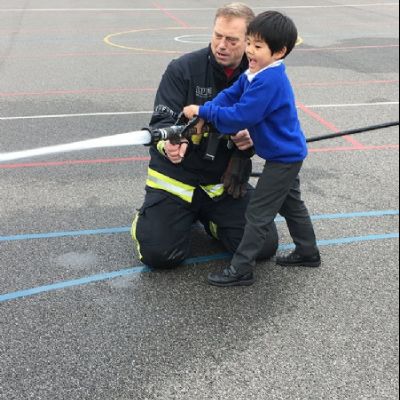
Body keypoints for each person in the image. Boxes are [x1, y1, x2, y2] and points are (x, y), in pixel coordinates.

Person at [131, 3, 279, 269]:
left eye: (232, 40)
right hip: (176, 178)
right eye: (217, 35)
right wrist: (169, 145)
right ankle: (147, 217)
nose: (221, 45)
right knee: (159, 256)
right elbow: (162, 120)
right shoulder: (183, 69)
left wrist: (252, 139)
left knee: (264, 245)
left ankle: (210, 221)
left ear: (249, 42)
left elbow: (274, 126)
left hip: (221, 181)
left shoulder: (263, 78)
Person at [184, 11, 321, 286]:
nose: (250, 51)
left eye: (258, 47)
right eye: (249, 43)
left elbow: (240, 116)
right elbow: (231, 94)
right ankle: (308, 252)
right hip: (283, 154)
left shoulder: (270, 80)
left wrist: (202, 110)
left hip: (283, 158)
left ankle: (241, 269)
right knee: (292, 205)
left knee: (257, 214)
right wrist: (208, 110)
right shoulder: (255, 72)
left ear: (280, 51)